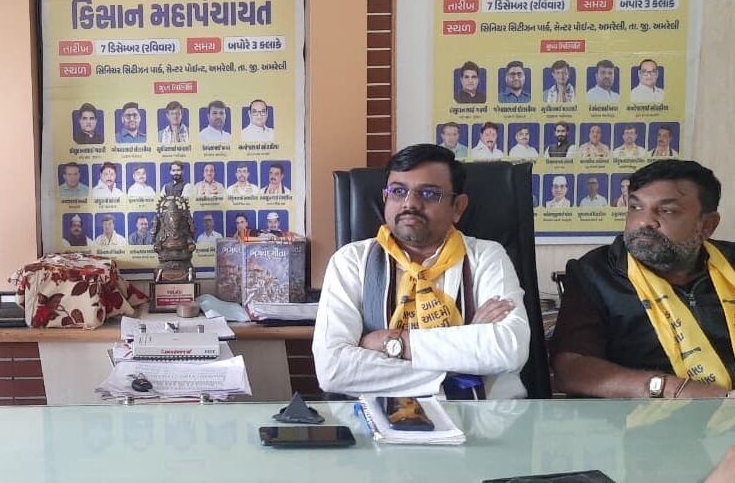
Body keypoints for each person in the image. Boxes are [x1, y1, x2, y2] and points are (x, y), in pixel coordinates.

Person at [312, 144, 530, 399]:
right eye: (398, 191)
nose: (410, 203)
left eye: (429, 194)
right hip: (376, 418)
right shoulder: (351, 261)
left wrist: (393, 343)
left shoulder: (487, 256)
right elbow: (333, 369)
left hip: (482, 418)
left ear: (458, 207)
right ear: (385, 198)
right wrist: (464, 368)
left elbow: (509, 347)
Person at [553, 160, 735, 399]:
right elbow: (571, 369)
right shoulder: (596, 273)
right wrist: (672, 389)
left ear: (707, 225)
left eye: (667, 211)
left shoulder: (730, 264)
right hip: (638, 415)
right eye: (636, 207)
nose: (644, 221)